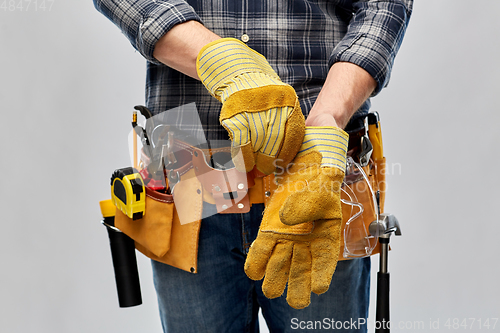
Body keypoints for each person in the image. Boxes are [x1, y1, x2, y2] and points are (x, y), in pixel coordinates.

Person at [94, 0, 413, 332]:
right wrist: (220, 60)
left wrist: (327, 118)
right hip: (188, 183)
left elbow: (383, 5)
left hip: (315, 179)